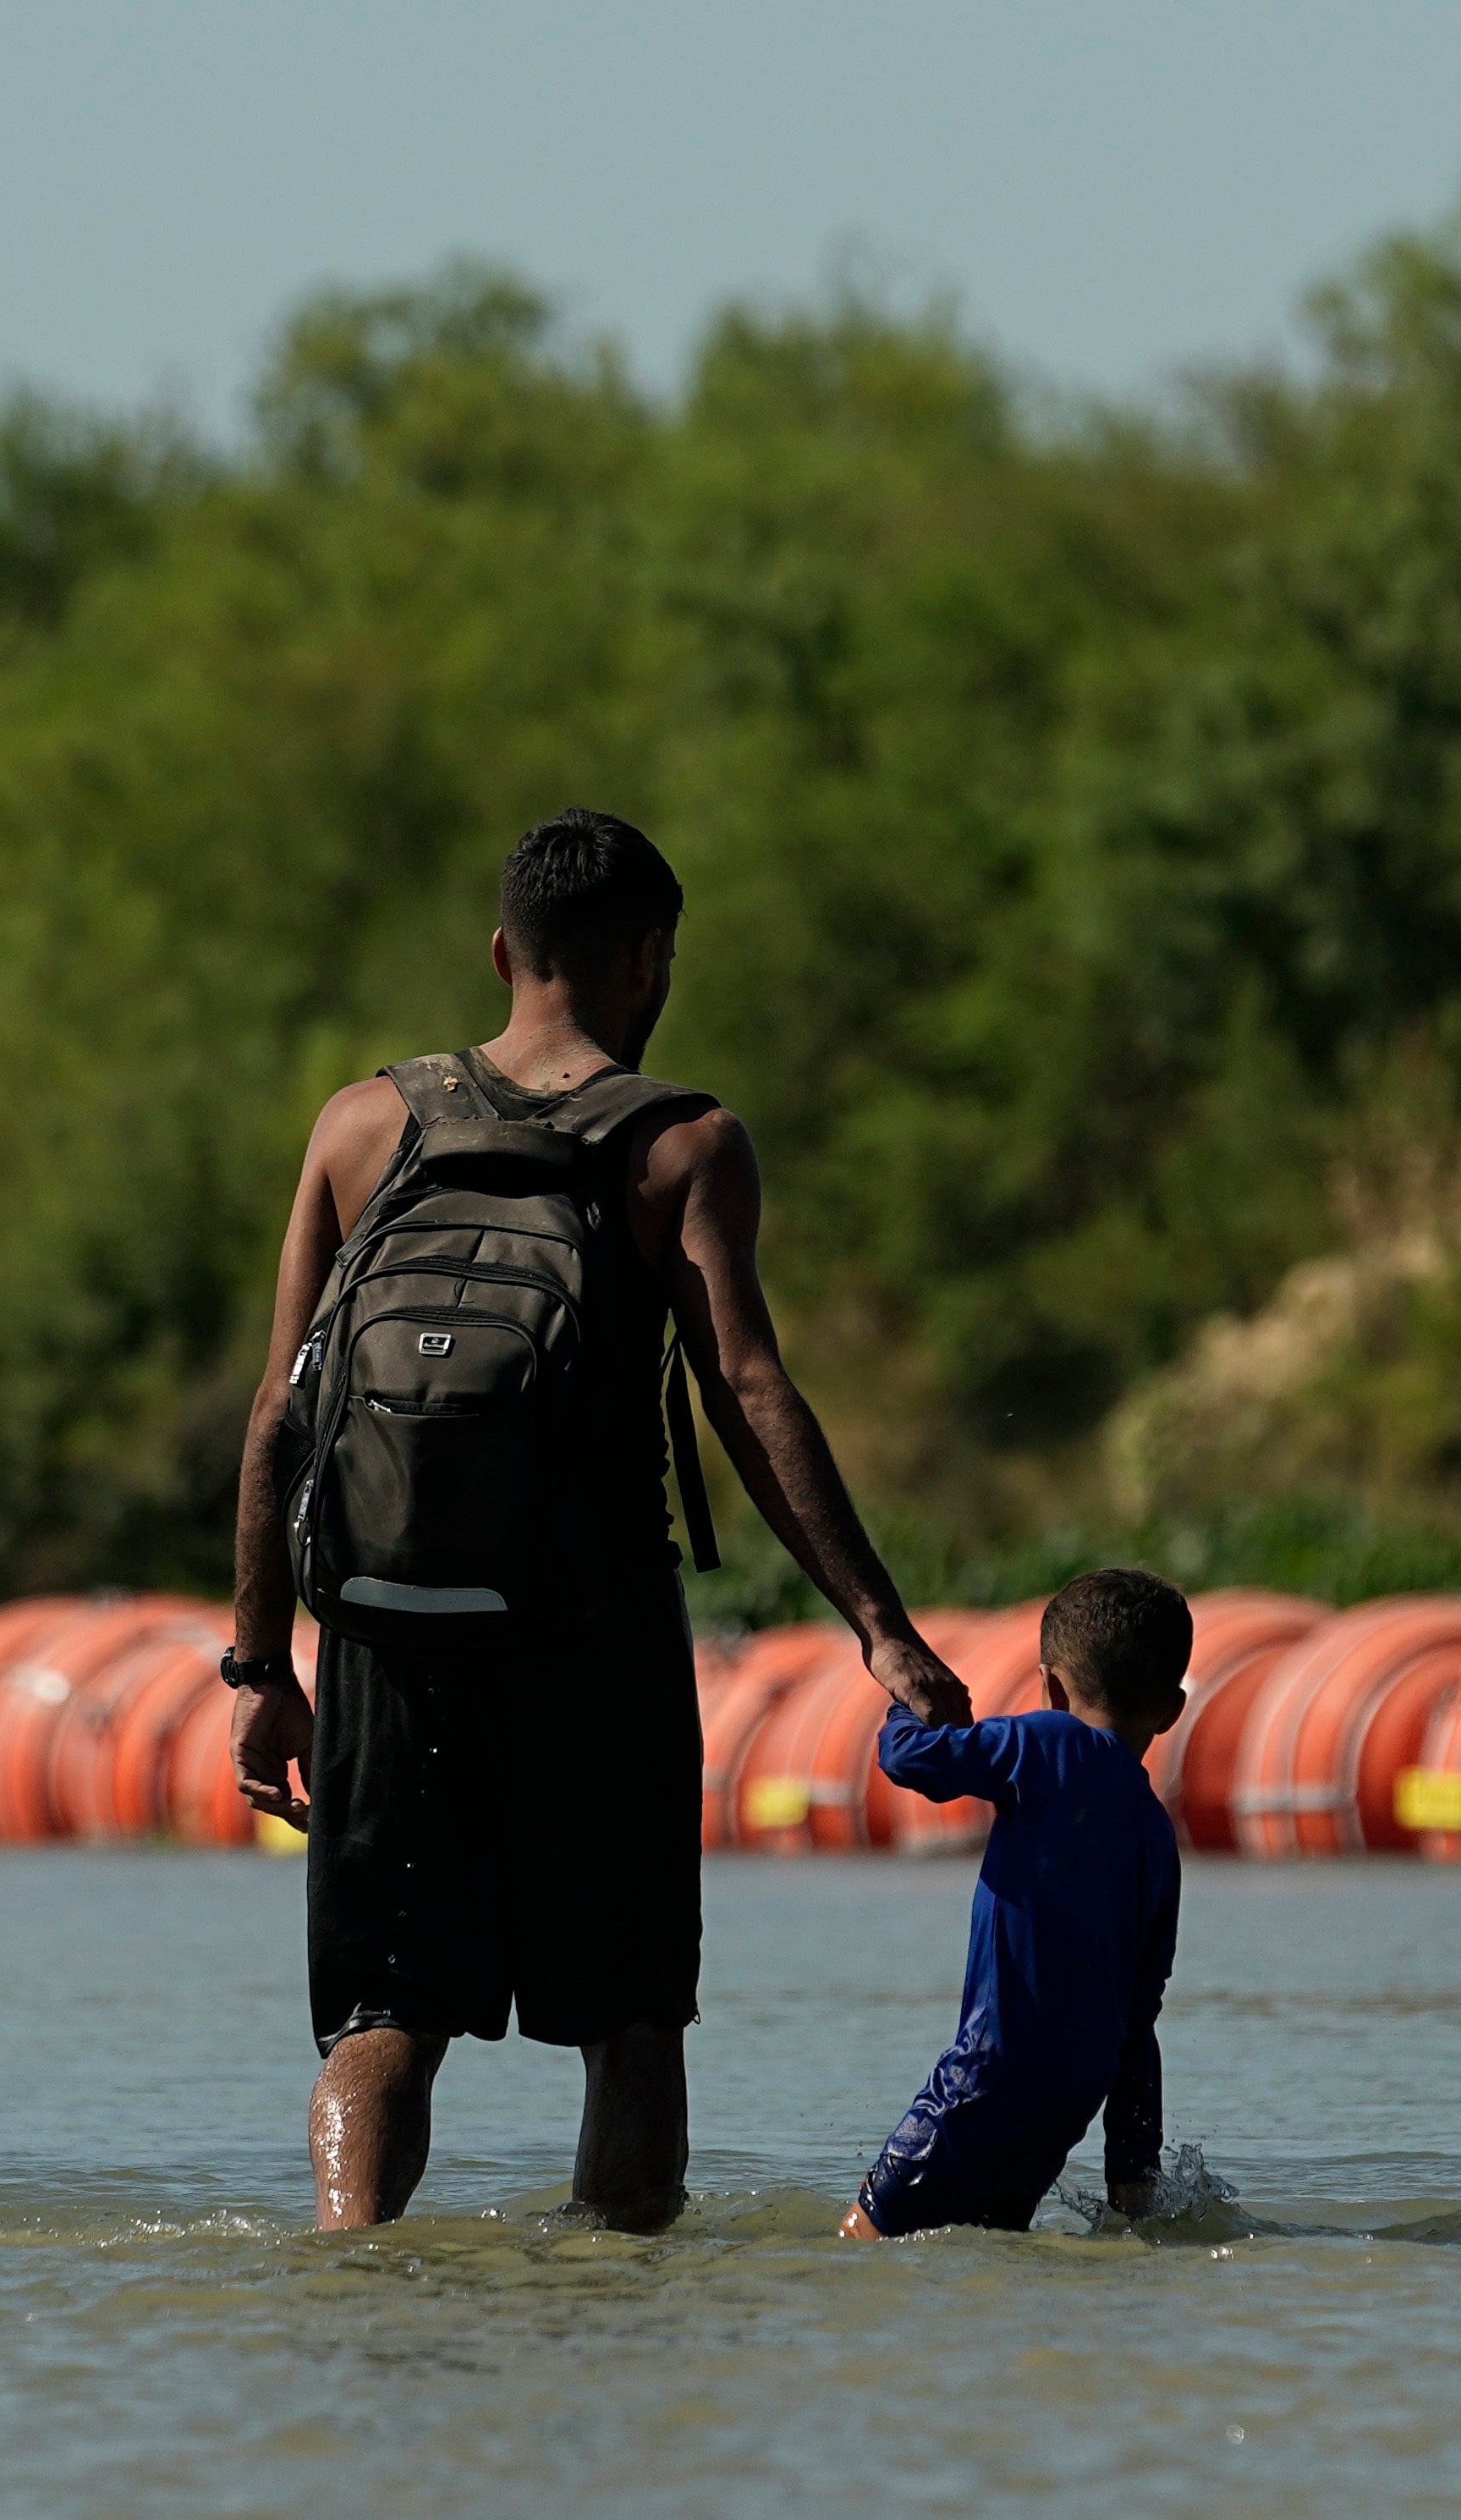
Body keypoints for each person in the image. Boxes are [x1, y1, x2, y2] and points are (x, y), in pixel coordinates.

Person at [231, 809, 966, 2232]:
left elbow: (277, 1411)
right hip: (592, 1631)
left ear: (503, 950)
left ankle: (350, 2270)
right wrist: (881, 1626)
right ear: (649, 961)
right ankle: (617, 2312)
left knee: (383, 2010)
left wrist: (260, 1671)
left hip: (383, 1629)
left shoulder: (358, 1123)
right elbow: (749, 1392)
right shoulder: (680, 1143)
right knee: (626, 2015)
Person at [842, 1566, 1192, 2241]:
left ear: (1050, 1685)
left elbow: (910, 1760)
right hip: (1069, 2103)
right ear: (1172, 1710)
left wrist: (903, 1696)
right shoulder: (1156, 1833)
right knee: (990, 2252)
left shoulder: (1044, 1742)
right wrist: (1132, 2182)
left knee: (858, 2250)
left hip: (985, 2079)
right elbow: (1138, 2026)